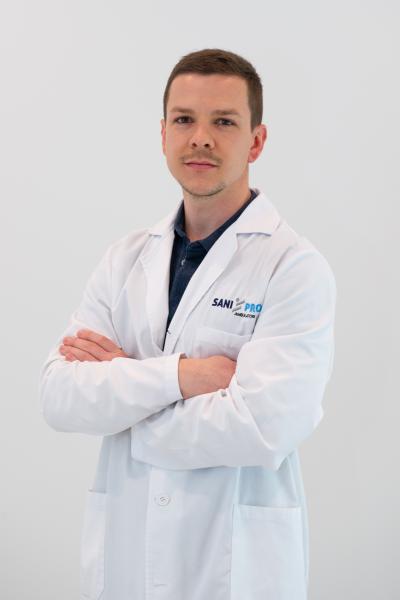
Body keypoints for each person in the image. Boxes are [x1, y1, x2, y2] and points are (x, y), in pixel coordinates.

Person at [39, 48, 336, 600]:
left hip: (234, 566)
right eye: (184, 119)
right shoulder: (124, 259)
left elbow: (266, 426)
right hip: (127, 558)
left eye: (224, 122)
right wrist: (183, 376)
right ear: (163, 134)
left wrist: (124, 397)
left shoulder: (293, 267)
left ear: (256, 141)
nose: (201, 138)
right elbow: (60, 397)